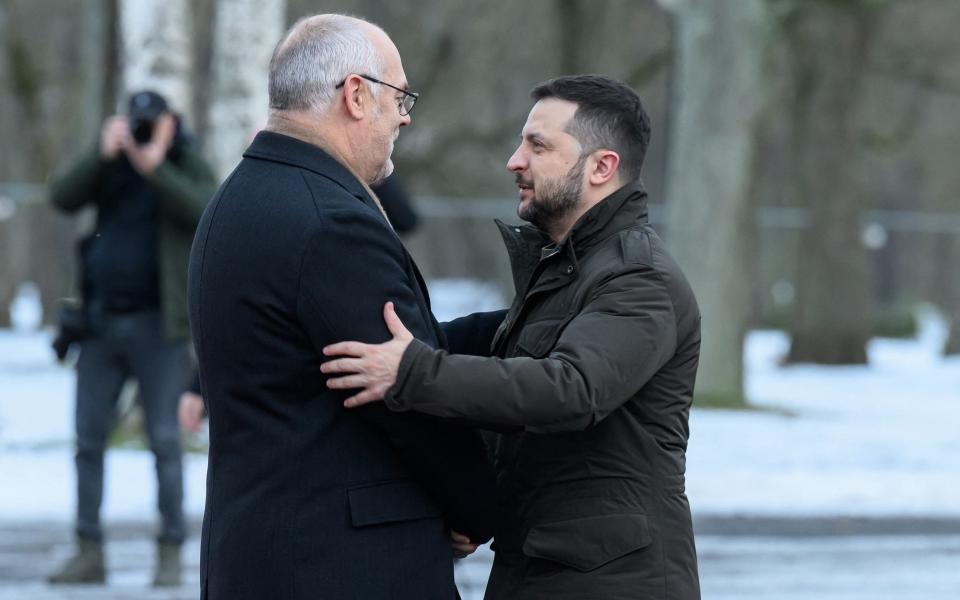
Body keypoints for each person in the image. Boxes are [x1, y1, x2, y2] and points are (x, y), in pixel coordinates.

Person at [322, 75, 703, 599]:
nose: (514, 161)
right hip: (542, 568)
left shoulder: (640, 279)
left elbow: (569, 390)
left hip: (611, 583)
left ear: (601, 167)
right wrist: (476, 504)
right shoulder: (571, 271)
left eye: (538, 145)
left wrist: (413, 372)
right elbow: (528, 418)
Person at [187, 14, 497, 600]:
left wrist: (515, 328)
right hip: (341, 565)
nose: (405, 114)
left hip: (264, 555)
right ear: (356, 95)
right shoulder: (329, 221)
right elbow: (404, 396)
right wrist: (478, 507)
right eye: (399, 96)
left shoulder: (240, 198)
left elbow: (385, 349)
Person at [47, 90, 217, 587]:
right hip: (99, 325)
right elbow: (62, 196)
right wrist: (100, 155)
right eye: (134, 120)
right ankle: (88, 551)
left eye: (151, 121)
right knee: (87, 440)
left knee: (165, 440)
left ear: (173, 124)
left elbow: (205, 209)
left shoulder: (185, 164)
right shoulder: (110, 164)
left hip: (158, 327)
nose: (141, 129)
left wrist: (156, 165)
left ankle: (169, 552)